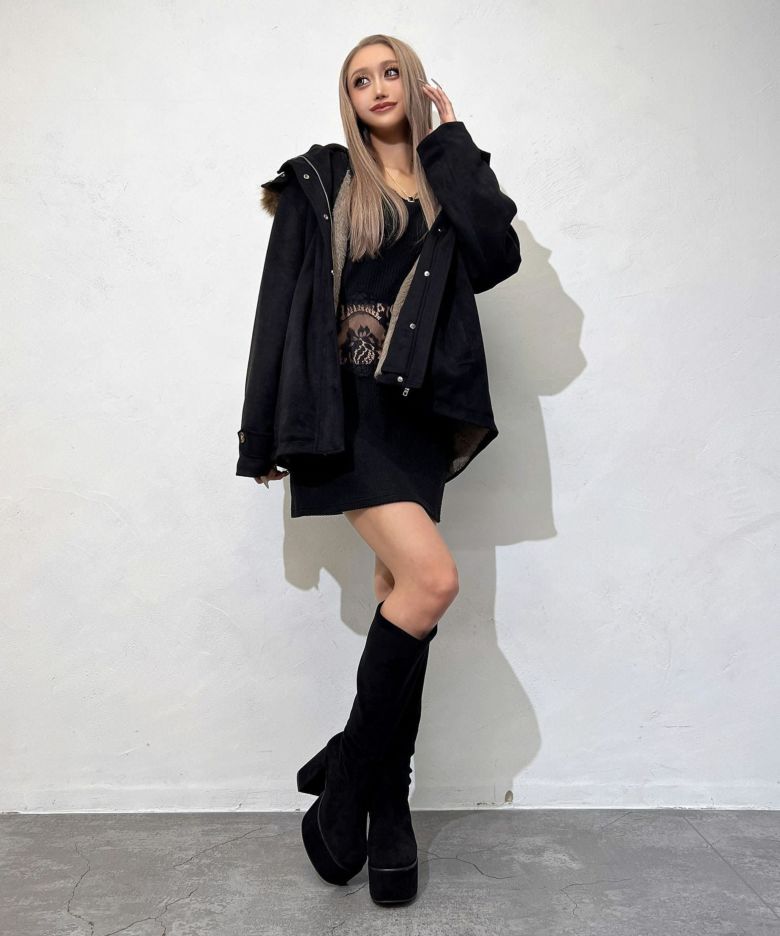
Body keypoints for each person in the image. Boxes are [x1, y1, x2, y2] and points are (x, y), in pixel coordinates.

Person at [236, 34, 521, 905]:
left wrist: (453, 142)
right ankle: (352, 781)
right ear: (349, 100)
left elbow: (497, 257)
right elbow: (279, 305)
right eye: (360, 80)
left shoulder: (442, 180)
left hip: (418, 420)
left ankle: (382, 801)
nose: (377, 87)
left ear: (414, 82)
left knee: (404, 593)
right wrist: (261, 434)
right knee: (434, 581)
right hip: (347, 417)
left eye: (390, 72)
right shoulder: (324, 180)